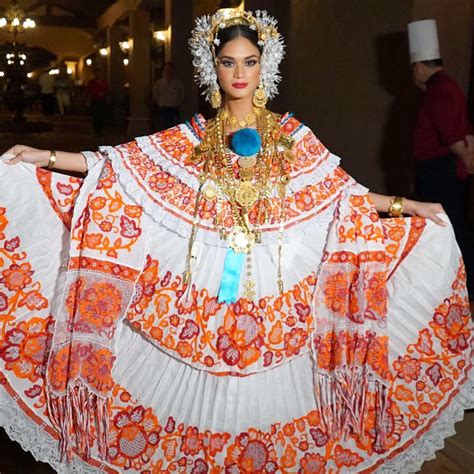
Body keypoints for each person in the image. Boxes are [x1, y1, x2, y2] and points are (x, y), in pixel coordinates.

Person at [0, 9, 472, 473]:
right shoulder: (192, 137)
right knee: (200, 393)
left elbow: (343, 195)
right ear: (213, 67)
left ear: (265, 66)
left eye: (249, 62)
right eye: (228, 62)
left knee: (264, 395)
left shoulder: (290, 137)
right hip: (203, 284)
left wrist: (408, 207)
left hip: (274, 281)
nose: (239, 73)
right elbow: (118, 164)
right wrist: (45, 155)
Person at [152, 61, 184, 130]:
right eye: (166, 69)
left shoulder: (178, 83)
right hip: (162, 108)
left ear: (173, 70)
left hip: (173, 108)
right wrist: (158, 102)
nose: (168, 71)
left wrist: (177, 103)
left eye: (170, 69)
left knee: (174, 128)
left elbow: (181, 95)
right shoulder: (159, 83)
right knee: (163, 128)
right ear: (164, 70)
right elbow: (155, 94)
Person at [87, 68, 108, 136]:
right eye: (96, 74)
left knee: (102, 115)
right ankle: (96, 130)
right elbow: (89, 91)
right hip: (95, 100)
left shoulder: (104, 82)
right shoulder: (91, 82)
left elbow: (106, 90)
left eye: (99, 74)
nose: (98, 75)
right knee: (95, 115)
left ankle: (100, 129)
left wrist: (104, 94)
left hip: (102, 100)